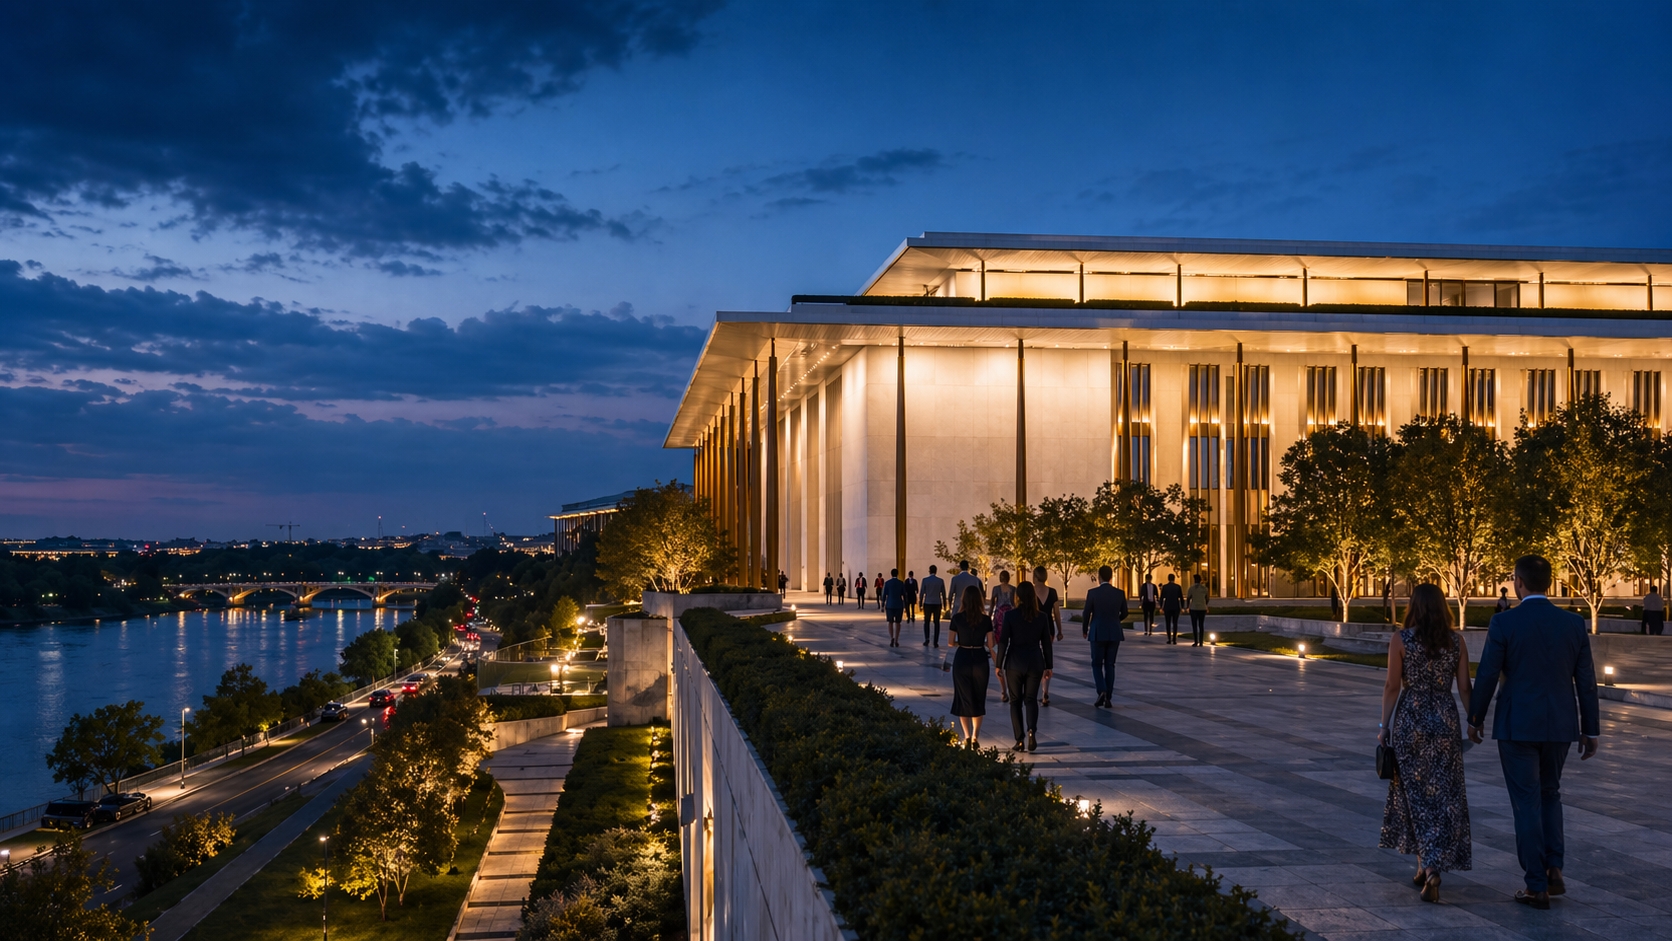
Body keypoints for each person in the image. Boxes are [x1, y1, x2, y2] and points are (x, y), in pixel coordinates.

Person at [1468, 554, 1601, 910]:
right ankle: (1554, 866)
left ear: (1518, 582)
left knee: (1526, 801)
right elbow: (1586, 681)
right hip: (1559, 724)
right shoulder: (1573, 623)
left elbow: (1487, 674)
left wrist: (1475, 717)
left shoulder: (1504, 622)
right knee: (1550, 793)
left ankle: (1535, 884)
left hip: (1516, 725)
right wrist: (1590, 729)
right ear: (1549, 583)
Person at [1378, 583, 1473, 903]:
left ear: (1413, 606)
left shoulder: (1400, 640)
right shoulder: (1455, 642)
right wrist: (1474, 721)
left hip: (1411, 721)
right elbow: (1464, 688)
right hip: (1445, 721)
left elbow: (1392, 686)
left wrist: (1383, 726)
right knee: (1443, 795)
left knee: (1414, 794)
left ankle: (1430, 867)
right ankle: (1425, 864)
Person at [996, 581, 1053, 753]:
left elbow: (1004, 641)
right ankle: (1031, 731)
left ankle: (1019, 739)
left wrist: (998, 664)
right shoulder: (1041, 617)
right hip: (1035, 661)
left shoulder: (1011, 616)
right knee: (1031, 699)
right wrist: (1048, 665)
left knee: (1015, 701)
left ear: (1017, 597)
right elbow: (1046, 643)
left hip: (1014, 662)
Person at [948, 585, 994, 747]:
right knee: (978, 697)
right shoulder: (986, 620)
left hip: (962, 658)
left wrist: (963, 641)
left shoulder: (957, 618)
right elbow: (991, 643)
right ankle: (975, 736)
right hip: (980, 658)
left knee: (963, 697)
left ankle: (967, 737)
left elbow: (950, 642)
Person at [1082, 565, 1129, 708]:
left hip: (1097, 632)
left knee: (1096, 664)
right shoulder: (1119, 593)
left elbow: (1086, 613)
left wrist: (1085, 629)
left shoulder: (1092, 593)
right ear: (1111, 576)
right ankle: (1108, 696)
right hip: (1114, 632)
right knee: (1110, 665)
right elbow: (1125, 612)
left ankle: (1101, 690)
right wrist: (1115, 620)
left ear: (1099, 576)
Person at [1033, 567, 1064, 706]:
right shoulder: (1052, 592)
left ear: (1035, 577)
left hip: (1033, 627)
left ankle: (1037, 687)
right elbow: (1056, 613)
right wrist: (1060, 630)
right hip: (1048, 628)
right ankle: (1046, 690)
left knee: (1036, 657)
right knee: (1047, 656)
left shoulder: (1031, 592)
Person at [920, 565, 947, 647]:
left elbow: (922, 593)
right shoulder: (940, 581)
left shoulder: (925, 580)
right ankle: (935, 641)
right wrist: (945, 604)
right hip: (937, 603)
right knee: (936, 622)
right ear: (936, 571)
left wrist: (920, 602)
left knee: (927, 621)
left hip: (928, 602)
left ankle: (927, 638)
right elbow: (943, 593)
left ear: (929, 571)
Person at [881, 568, 907, 646]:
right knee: (898, 622)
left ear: (891, 574)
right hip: (899, 605)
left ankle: (891, 637)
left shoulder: (887, 583)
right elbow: (904, 595)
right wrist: (905, 605)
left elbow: (884, 595)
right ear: (897, 574)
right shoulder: (901, 583)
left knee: (890, 622)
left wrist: (882, 605)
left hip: (890, 604)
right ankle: (896, 639)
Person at [1187, 574, 1210, 646]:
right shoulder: (1205, 588)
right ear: (1200, 580)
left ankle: (1196, 641)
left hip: (1194, 608)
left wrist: (1188, 606)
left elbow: (1188, 598)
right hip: (1202, 608)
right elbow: (1207, 599)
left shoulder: (1191, 588)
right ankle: (1201, 642)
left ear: (1194, 580)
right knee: (1201, 625)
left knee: (1194, 625)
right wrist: (1205, 604)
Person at [1160, 574, 1184, 644]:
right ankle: (1174, 639)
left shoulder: (1165, 587)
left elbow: (1162, 598)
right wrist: (1182, 607)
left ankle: (1169, 639)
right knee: (1175, 623)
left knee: (1168, 623)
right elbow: (1181, 598)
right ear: (1174, 578)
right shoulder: (1178, 587)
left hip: (1167, 607)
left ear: (1168, 578)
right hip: (1176, 607)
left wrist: (1162, 607)